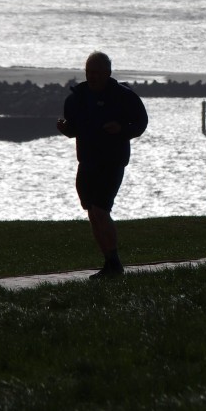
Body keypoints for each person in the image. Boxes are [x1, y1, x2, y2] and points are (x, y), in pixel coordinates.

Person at [57, 51, 149, 278]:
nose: (93, 77)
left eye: (98, 73)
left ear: (108, 73)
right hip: (87, 161)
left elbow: (140, 123)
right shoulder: (76, 98)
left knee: (101, 208)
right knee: (92, 211)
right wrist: (66, 129)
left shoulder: (124, 96)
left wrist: (122, 129)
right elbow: (73, 128)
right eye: (89, 72)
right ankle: (109, 262)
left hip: (112, 161)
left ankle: (115, 263)